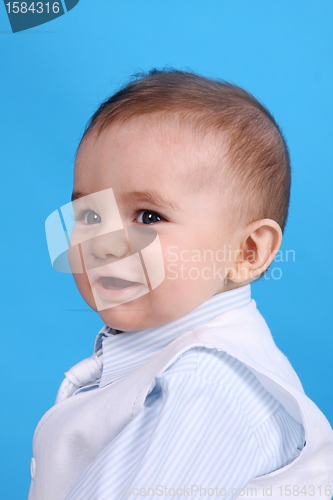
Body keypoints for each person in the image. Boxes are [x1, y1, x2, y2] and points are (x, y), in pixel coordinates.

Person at [29, 69, 333, 500]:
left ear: (247, 252)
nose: (103, 243)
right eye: (89, 215)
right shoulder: (167, 359)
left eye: (149, 216)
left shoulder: (205, 388)